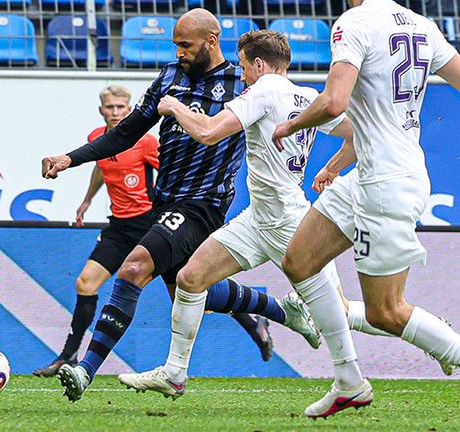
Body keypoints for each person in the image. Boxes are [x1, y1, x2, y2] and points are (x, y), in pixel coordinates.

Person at [40, 8, 321, 403]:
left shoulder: (245, 84)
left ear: (211, 41)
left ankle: (84, 370)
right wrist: (71, 158)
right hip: (166, 202)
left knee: (134, 268)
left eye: (185, 45)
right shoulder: (169, 77)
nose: (179, 53)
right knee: (191, 289)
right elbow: (128, 133)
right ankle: (280, 311)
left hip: (203, 205)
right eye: (175, 45)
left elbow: (268, 113)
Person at [271, 0, 460, 427]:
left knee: (385, 311)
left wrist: (289, 125)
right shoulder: (421, 24)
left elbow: (334, 103)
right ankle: (348, 379)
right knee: (299, 260)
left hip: (384, 185)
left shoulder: (353, 22)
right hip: (373, 172)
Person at [116, 30, 375, 415]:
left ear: (258, 64)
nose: (240, 76)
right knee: (190, 278)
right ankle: (174, 373)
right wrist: (330, 169)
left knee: (349, 312)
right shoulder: (305, 96)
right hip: (258, 219)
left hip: (289, 223)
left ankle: (420, 330)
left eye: (242, 66)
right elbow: (357, 134)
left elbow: (207, 133)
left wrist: (173, 107)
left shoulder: (264, 90)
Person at [32, 85, 160, 377]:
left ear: (130, 110)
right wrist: (87, 200)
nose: (115, 112)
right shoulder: (97, 138)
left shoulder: (145, 142)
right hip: (118, 226)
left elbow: (168, 171)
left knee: (189, 282)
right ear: (102, 110)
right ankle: (68, 357)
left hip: (147, 225)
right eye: (110, 107)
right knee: (85, 283)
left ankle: (251, 321)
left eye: (121, 107)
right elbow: (102, 167)